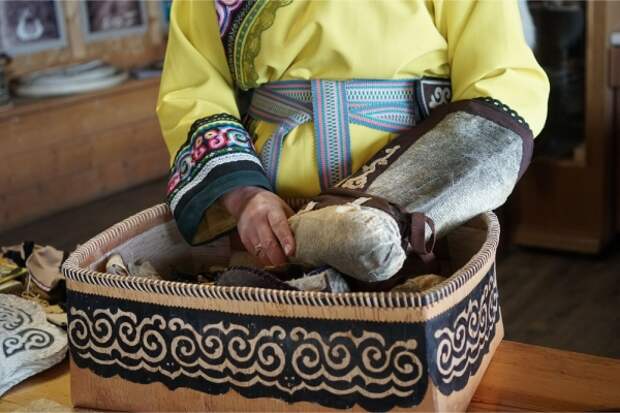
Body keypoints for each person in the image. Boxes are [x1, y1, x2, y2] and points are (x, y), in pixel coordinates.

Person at [157, 0, 549, 277]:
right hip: (273, 206)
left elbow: (501, 82)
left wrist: (398, 204)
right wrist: (244, 196)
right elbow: (193, 90)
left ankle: (370, 225)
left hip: (415, 208)